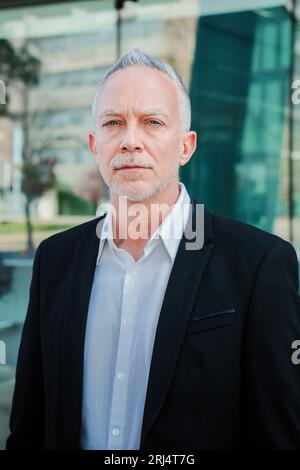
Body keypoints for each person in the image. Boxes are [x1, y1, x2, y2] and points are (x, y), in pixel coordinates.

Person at [6, 48, 300, 450]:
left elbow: (277, 437)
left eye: (152, 122)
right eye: (113, 123)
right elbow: (29, 426)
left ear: (186, 146)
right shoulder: (55, 259)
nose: (130, 141)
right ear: (95, 145)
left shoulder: (258, 264)